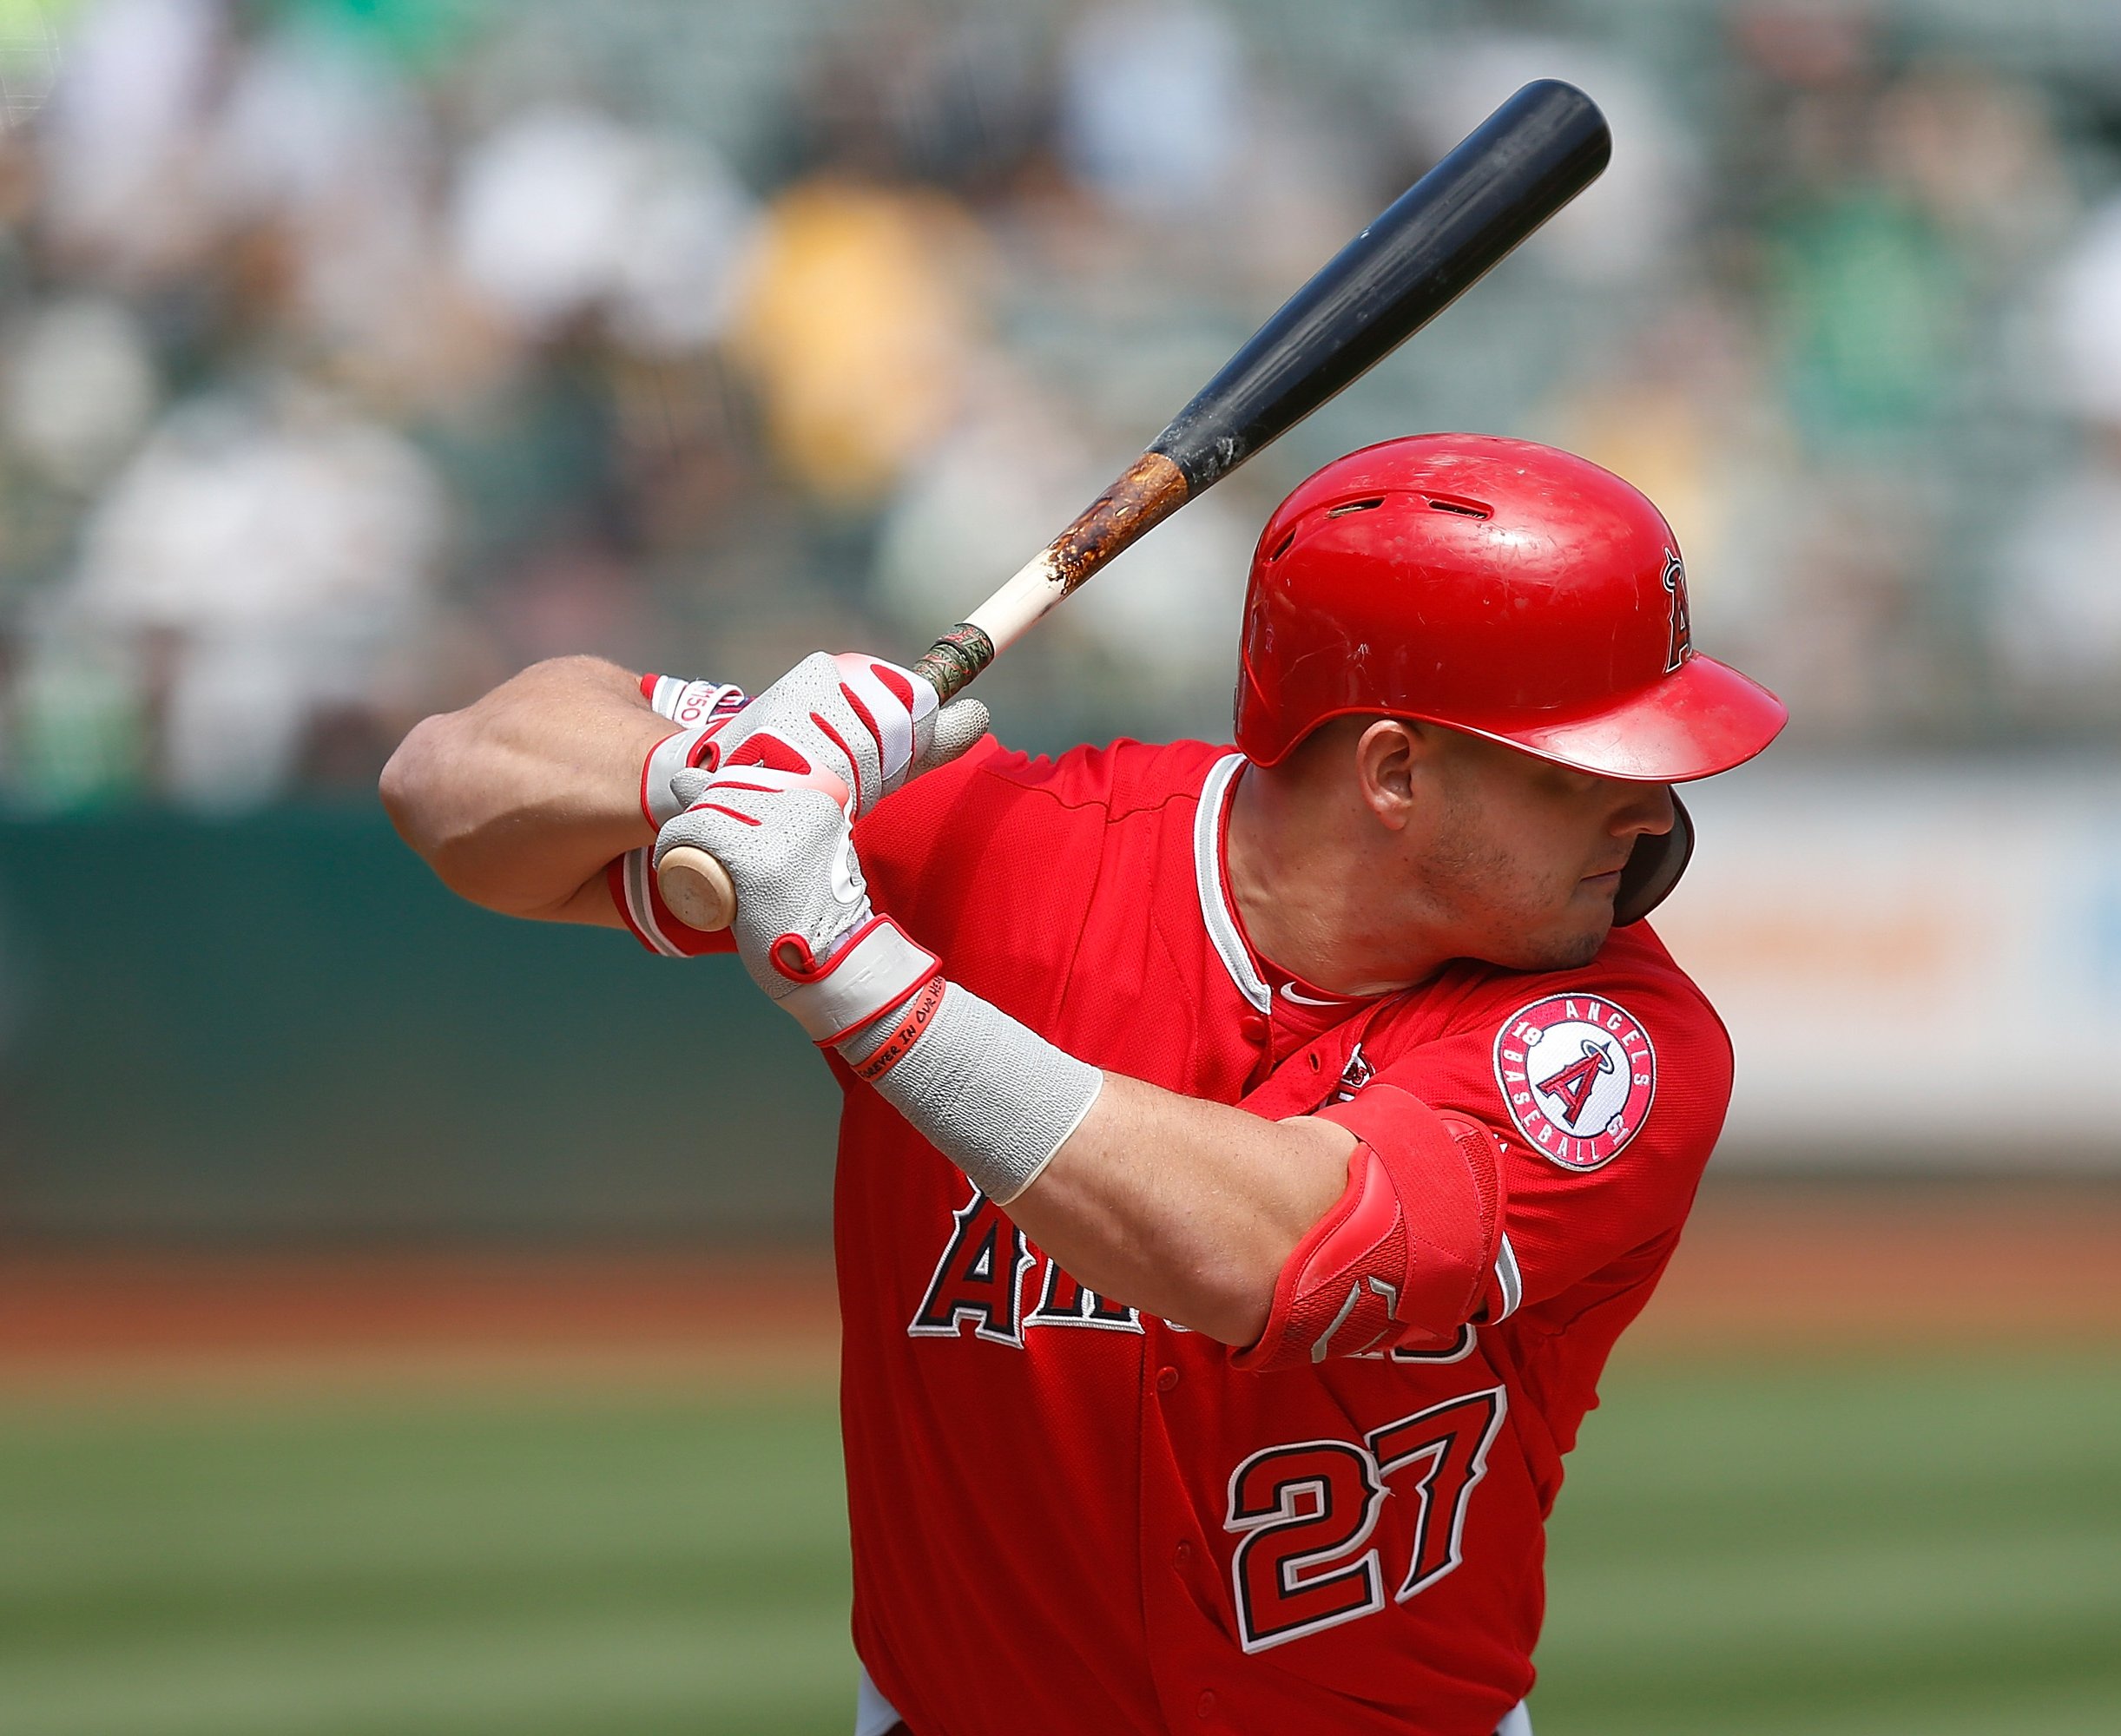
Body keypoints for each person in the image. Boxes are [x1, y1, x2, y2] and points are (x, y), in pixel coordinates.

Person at [381, 434, 1785, 1734]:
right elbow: (442, 784)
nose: (1655, 815)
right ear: (1396, 772)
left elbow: (1275, 1252)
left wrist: (854, 969)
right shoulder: (1006, 846)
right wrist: (712, 771)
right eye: (1586, 769)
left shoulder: (1612, 1036)